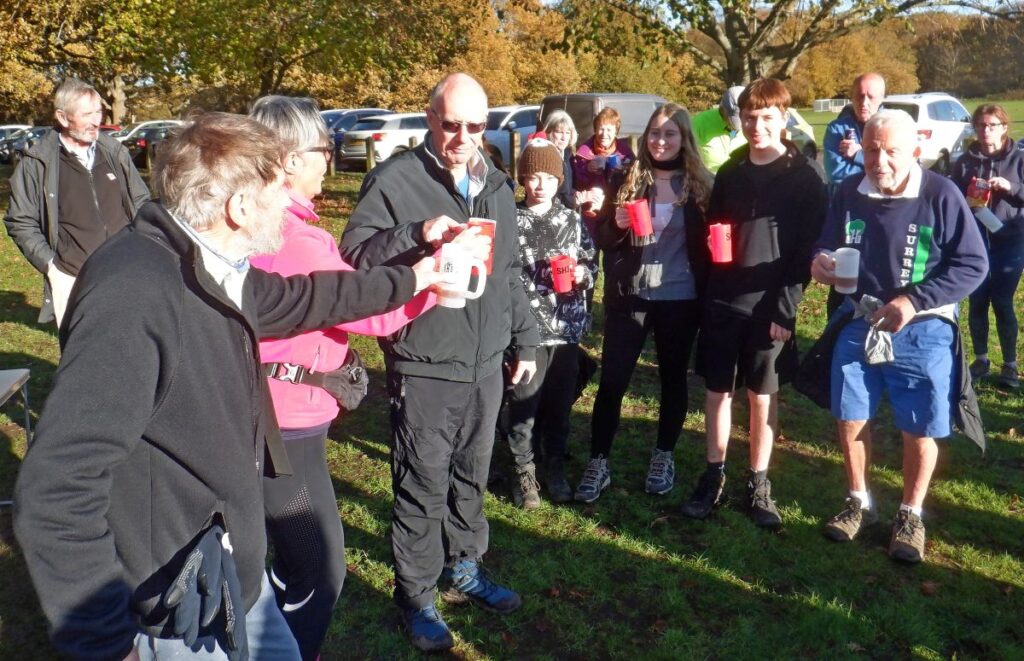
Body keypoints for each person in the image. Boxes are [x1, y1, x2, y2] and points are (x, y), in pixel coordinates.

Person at [13, 112, 442, 660]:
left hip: (227, 569)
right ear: (239, 207)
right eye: (277, 192)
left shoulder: (212, 265)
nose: (287, 205)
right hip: (177, 601)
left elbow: (307, 298)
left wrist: (418, 278)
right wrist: (106, 644)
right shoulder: (135, 291)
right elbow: (57, 488)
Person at [338, 72, 540, 652]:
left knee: (471, 473)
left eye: (475, 125)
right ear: (430, 119)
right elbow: (354, 254)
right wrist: (417, 234)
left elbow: (508, 273)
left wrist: (524, 339)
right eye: (451, 124)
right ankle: (417, 595)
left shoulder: (496, 183)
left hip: (485, 361)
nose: (463, 136)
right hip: (425, 359)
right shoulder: (396, 179)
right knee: (422, 481)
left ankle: (465, 569)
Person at [248, 96, 437, 660]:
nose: (329, 160)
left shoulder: (257, 223)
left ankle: (270, 634)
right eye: (322, 150)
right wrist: (436, 283)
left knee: (289, 556)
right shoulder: (296, 239)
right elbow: (369, 311)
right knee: (321, 568)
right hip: (286, 425)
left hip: (264, 411)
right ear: (288, 161)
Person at [811, 109, 987, 563]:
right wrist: (821, 260)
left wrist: (914, 300)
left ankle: (910, 513)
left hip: (923, 327)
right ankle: (858, 501)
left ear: (915, 150)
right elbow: (826, 240)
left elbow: (973, 264)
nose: (880, 160)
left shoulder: (941, 194)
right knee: (850, 414)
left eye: (892, 151)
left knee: (920, 424)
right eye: (872, 150)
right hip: (860, 319)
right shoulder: (849, 191)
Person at [681, 79, 827, 529]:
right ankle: (714, 475)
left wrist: (785, 308)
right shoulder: (731, 171)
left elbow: (806, 251)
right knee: (716, 392)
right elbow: (718, 229)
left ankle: (759, 482)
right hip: (723, 299)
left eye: (766, 117)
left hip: (769, 307)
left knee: (762, 397)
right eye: (749, 117)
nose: (756, 126)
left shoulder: (805, 176)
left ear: (783, 118)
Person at [574, 103, 712, 503]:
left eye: (670, 133)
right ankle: (598, 461)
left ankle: (663, 455)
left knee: (673, 379)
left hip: (680, 298)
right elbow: (603, 237)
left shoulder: (701, 186)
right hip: (630, 294)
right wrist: (615, 226)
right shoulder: (628, 177)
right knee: (613, 380)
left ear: (683, 138)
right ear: (644, 136)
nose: (661, 141)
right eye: (654, 133)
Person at [3, 78, 149, 327]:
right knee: (86, 349)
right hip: (74, 279)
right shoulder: (37, 163)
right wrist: (51, 266)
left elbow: (141, 202)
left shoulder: (115, 153)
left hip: (128, 270)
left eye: (98, 112)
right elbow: (20, 220)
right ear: (62, 117)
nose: (96, 121)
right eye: (87, 114)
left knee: (133, 343)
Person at [507, 137, 598, 508]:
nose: (540, 184)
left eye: (548, 177)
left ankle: (554, 465)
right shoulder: (511, 220)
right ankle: (522, 470)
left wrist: (582, 275)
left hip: (565, 329)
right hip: (526, 329)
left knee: (560, 403)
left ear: (560, 180)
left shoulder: (572, 220)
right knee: (523, 403)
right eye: (533, 177)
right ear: (523, 180)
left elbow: (591, 263)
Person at [951, 103, 1024, 389]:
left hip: (1011, 241)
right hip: (974, 241)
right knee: (978, 300)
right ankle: (981, 359)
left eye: (992, 125)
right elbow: (952, 200)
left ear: (1004, 127)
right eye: (980, 125)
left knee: (1003, 301)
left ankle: (1010, 365)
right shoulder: (964, 162)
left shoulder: (1018, 159)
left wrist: (1010, 187)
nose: (985, 130)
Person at [572, 107, 636, 231]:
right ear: (595, 129)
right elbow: (576, 181)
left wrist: (623, 170)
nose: (604, 134)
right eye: (601, 128)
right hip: (591, 213)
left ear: (616, 131)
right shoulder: (584, 151)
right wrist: (587, 169)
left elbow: (634, 177)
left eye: (609, 129)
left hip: (617, 211)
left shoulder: (624, 151)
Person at [823, 73, 886, 186]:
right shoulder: (836, 129)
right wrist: (876, 170)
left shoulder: (893, 128)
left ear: (881, 98)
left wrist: (858, 154)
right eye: (859, 96)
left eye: (871, 97)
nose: (864, 103)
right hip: (847, 196)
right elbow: (836, 174)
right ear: (852, 97)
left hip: (881, 196)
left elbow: (898, 169)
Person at [542, 110, 604, 212]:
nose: (564, 138)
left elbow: (569, 188)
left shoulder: (567, 154)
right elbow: (558, 196)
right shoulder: (544, 157)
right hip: (551, 212)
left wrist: (584, 194)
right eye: (559, 132)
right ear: (549, 132)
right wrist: (580, 199)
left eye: (567, 133)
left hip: (566, 212)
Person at [691, 86, 747, 173]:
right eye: (733, 119)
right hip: (707, 179)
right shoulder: (698, 123)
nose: (742, 125)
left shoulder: (753, 125)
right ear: (723, 109)